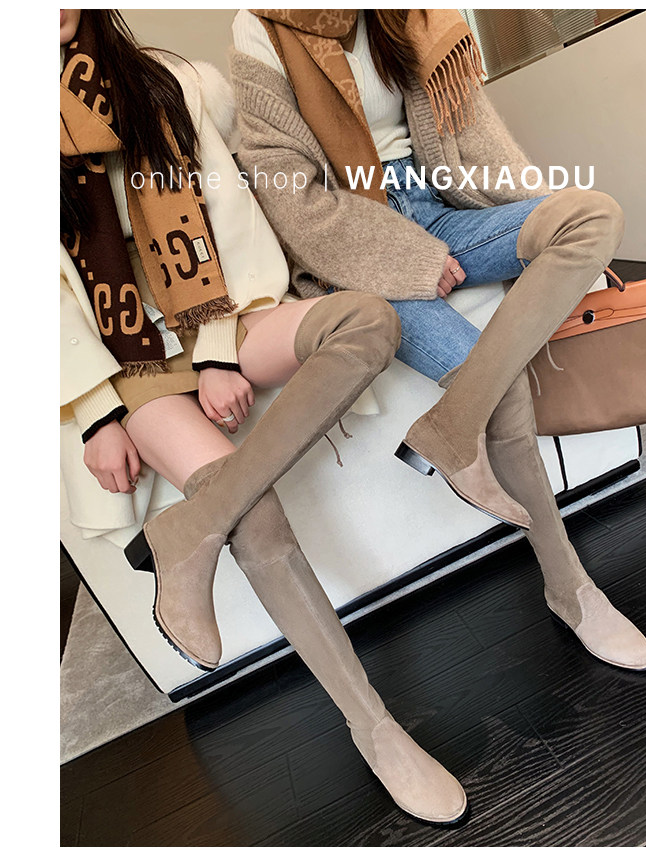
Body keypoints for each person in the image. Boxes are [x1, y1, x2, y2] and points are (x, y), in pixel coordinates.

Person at [60, 9, 468, 825]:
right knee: (257, 517)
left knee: (365, 321)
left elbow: (231, 214)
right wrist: (97, 413)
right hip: (126, 360)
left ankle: (190, 528)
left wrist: (217, 348)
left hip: (215, 314)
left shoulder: (164, 83)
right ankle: (375, 728)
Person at [229, 8, 646, 671]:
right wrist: (407, 259)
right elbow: (290, 197)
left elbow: (474, 133)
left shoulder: (414, 11)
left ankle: (451, 427)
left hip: (441, 204)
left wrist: (540, 220)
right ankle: (570, 588)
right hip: (357, 237)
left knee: (591, 215)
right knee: (499, 384)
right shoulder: (261, 26)